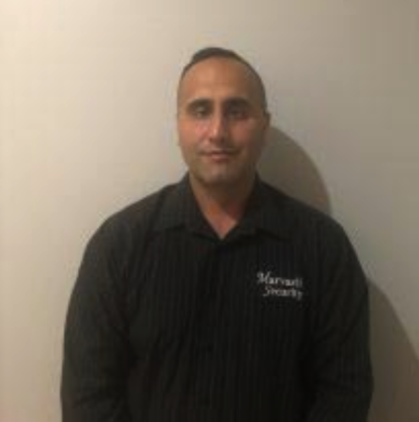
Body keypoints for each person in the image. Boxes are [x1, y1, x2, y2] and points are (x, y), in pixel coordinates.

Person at [61, 47, 373, 422]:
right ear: (178, 125)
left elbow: (345, 391)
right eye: (200, 110)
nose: (218, 132)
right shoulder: (119, 244)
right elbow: (88, 396)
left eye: (237, 111)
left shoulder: (322, 247)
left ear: (264, 126)